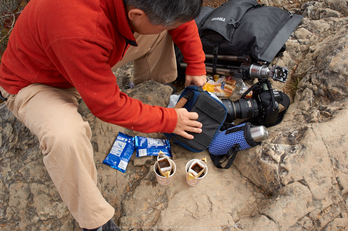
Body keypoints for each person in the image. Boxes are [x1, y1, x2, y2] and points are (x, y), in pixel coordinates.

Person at [0, 0, 206, 230]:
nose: (167, 27)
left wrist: (196, 64)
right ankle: (96, 222)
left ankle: (155, 94)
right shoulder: (78, 27)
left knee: (158, 31)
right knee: (65, 136)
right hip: (40, 83)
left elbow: (174, 16)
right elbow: (107, 106)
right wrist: (168, 120)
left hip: (91, 57)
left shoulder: (140, 9)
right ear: (135, 14)